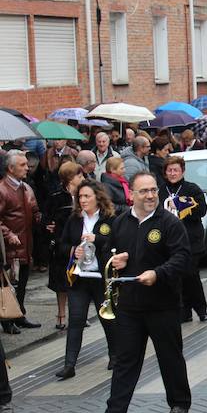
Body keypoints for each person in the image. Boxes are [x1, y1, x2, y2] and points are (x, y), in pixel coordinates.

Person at [90, 172, 192, 413]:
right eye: (143, 191)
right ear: (131, 195)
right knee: (125, 361)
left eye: (153, 190)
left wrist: (158, 274)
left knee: (169, 356)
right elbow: (107, 255)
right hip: (129, 306)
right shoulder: (121, 222)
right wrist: (115, 262)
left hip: (163, 304)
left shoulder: (169, 223)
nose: (149, 196)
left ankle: (179, 402)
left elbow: (182, 258)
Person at [54, 181, 118, 378]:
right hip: (79, 278)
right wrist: (74, 250)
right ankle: (69, 365)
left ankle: (115, 356)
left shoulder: (110, 219)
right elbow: (61, 245)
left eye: (86, 196)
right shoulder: (74, 219)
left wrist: (96, 239)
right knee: (76, 320)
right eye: (80, 197)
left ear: (97, 197)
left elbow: (117, 243)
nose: (82, 200)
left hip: (101, 278)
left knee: (107, 318)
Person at [161, 156, 207, 323]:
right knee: (176, 278)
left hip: (190, 240)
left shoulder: (192, 188)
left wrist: (180, 204)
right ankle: (184, 310)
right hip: (170, 241)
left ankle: (201, 309)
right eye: (169, 170)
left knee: (191, 276)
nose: (172, 173)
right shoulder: (161, 189)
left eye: (176, 170)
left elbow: (202, 210)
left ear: (182, 171)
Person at [0, 150, 43, 333]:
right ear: (10, 168)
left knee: (23, 282)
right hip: (11, 247)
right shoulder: (2, 189)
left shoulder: (25, 187)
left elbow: (33, 211)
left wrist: (40, 217)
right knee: (9, 285)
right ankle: (7, 320)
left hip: (26, 242)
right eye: (23, 165)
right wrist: (8, 234)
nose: (27, 167)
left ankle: (20, 315)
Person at [44, 161, 84, 330]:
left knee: (79, 281)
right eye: (79, 175)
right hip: (61, 243)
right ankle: (61, 314)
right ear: (70, 178)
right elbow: (46, 217)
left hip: (81, 243)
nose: (82, 178)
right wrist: (48, 225)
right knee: (61, 281)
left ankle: (78, 314)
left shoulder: (85, 194)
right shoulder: (57, 197)